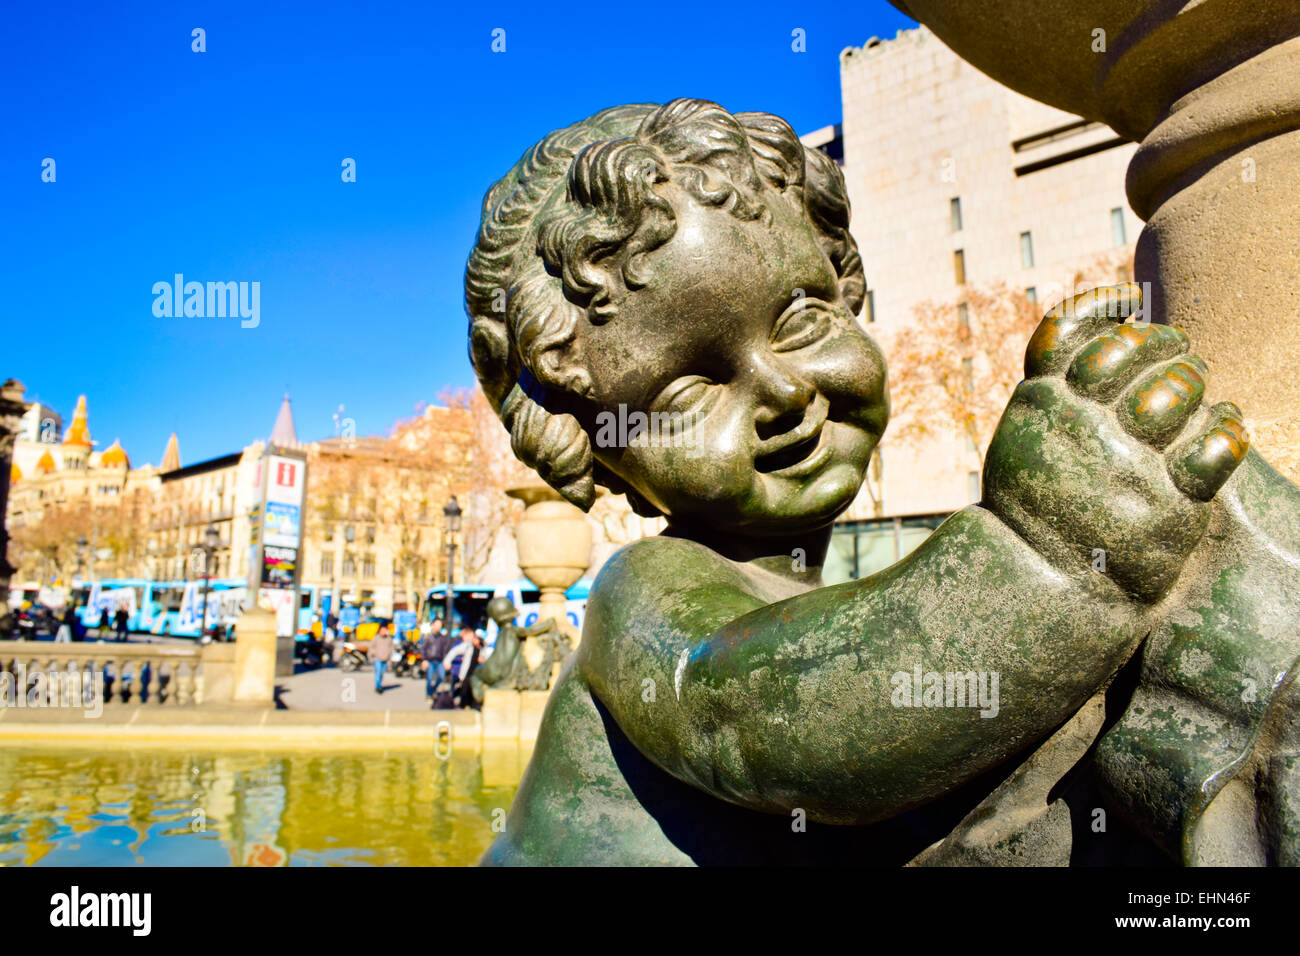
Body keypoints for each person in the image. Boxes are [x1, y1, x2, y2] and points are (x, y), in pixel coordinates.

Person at [441, 627, 482, 709]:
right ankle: (462, 705)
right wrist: (447, 662)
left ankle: (473, 706)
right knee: (465, 689)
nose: (475, 640)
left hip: (477, 674)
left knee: (474, 690)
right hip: (467, 673)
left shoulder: (483, 648)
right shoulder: (468, 646)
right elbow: (454, 651)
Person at [421, 624, 454, 699]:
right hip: (430, 660)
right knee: (430, 678)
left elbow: (446, 650)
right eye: (437, 625)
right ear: (432, 625)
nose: (438, 627)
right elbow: (423, 648)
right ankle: (429, 694)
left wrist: (446, 661)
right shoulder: (428, 637)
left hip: (440, 660)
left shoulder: (442, 638)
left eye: (440, 625)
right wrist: (424, 659)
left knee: (441, 677)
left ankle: (432, 690)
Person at [368, 624, 394, 695]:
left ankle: (379, 684)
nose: (383, 632)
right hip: (377, 658)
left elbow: (391, 647)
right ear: (380, 631)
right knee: (378, 672)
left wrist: (389, 655)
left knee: (382, 673)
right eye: (382, 630)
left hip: (385, 658)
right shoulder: (376, 638)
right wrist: (373, 654)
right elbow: (371, 647)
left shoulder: (389, 639)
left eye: (385, 630)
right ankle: (378, 687)